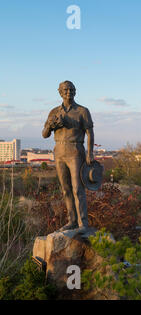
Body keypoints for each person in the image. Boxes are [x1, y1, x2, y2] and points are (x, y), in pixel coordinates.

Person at [42, 81, 94, 233]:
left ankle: (83, 223)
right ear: (60, 92)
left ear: (75, 92)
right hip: (59, 151)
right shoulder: (54, 112)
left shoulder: (83, 111)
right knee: (66, 189)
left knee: (78, 188)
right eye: (65, 89)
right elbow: (45, 135)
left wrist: (90, 153)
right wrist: (50, 126)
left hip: (75, 151)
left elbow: (90, 132)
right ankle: (72, 221)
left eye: (71, 89)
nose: (68, 92)